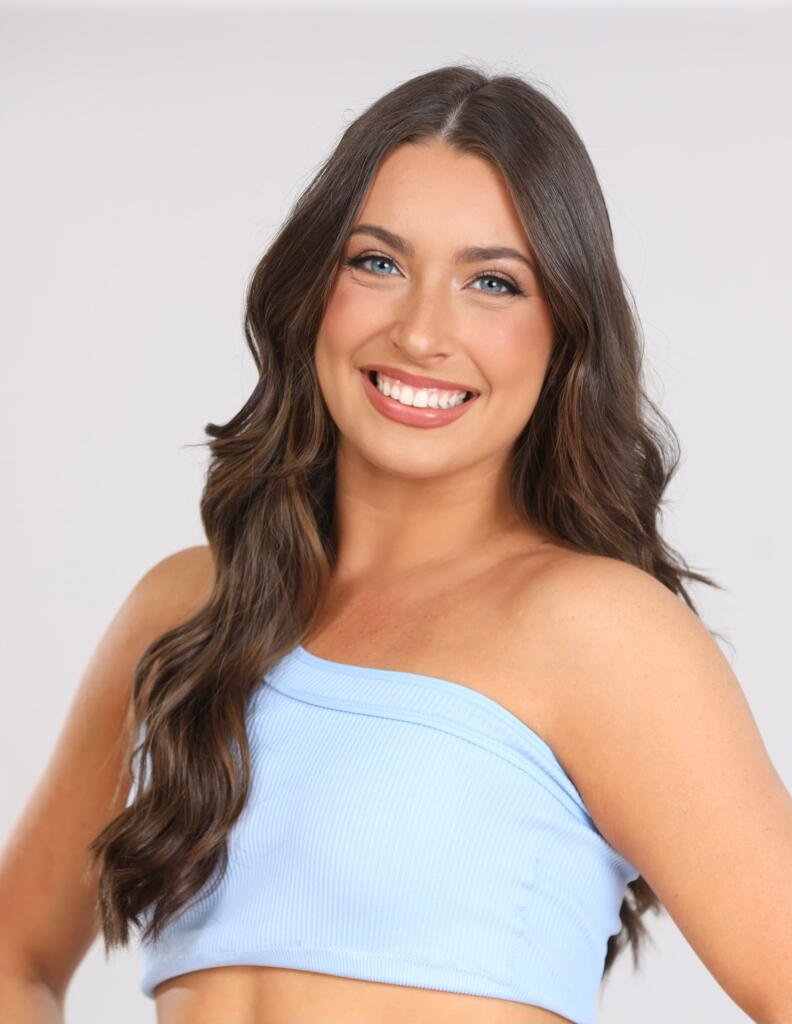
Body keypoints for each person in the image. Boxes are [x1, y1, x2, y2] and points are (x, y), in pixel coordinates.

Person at [1, 64, 790, 1024]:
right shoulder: (188, 612)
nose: (421, 333)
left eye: (493, 283)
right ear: (311, 287)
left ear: (564, 334)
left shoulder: (599, 631)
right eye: (377, 263)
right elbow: (14, 959)